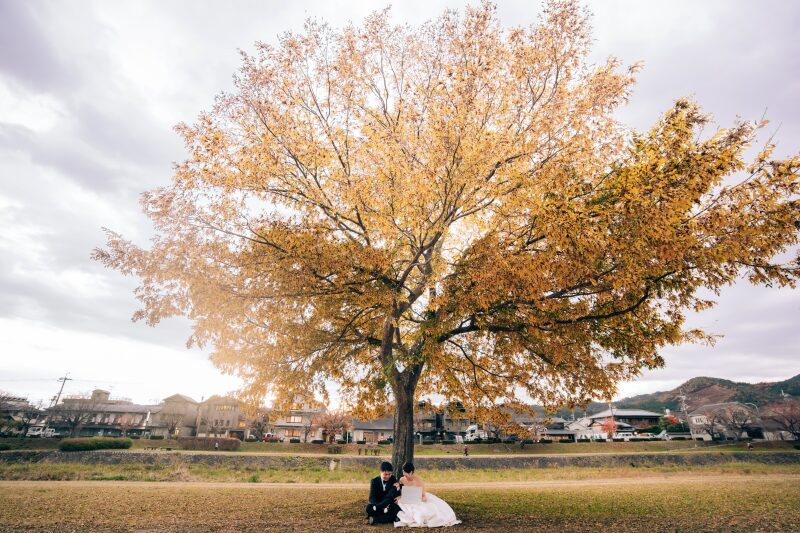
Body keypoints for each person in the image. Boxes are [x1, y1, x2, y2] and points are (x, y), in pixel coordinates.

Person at [394, 462, 461, 528]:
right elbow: (402, 492)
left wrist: (419, 499)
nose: (404, 474)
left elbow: (423, 495)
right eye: (403, 472)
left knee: (426, 511)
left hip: (418, 499)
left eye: (406, 473)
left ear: (411, 472)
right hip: (408, 499)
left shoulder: (418, 481)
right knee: (401, 504)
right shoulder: (402, 480)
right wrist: (401, 495)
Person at [366, 461, 401, 525]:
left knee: (396, 508)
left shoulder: (393, 479)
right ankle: (389, 518)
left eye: (389, 474)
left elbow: (393, 494)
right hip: (378, 505)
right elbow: (372, 497)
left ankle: (375, 519)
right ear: (381, 472)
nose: (388, 476)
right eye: (385, 474)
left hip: (389, 505)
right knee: (369, 508)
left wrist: (399, 495)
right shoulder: (374, 481)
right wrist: (380, 506)